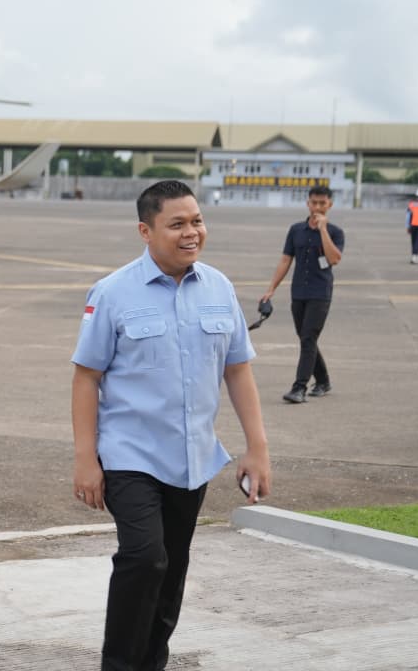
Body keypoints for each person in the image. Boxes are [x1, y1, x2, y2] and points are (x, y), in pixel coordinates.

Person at [71, 180, 271, 671]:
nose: (191, 232)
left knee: (171, 571)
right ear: (146, 231)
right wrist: (85, 458)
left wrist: (257, 448)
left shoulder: (219, 288)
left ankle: (150, 663)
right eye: (177, 224)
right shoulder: (113, 292)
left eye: (197, 221)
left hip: (192, 458)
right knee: (145, 557)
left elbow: (238, 370)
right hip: (129, 456)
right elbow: (86, 377)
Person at [260, 185, 345, 404]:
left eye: (322, 203)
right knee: (306, 338)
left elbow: (334, 259)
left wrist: (323, 230)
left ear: (329, 205)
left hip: (320, 293)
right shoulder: (296, 230)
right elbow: (285, 260)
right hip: (298, 292)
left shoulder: (335, 232)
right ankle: (323, 381)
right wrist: (271, 288)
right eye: (314, 203)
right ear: (308, 203)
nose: (317, 207)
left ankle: (299, 388)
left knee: (308, 338)